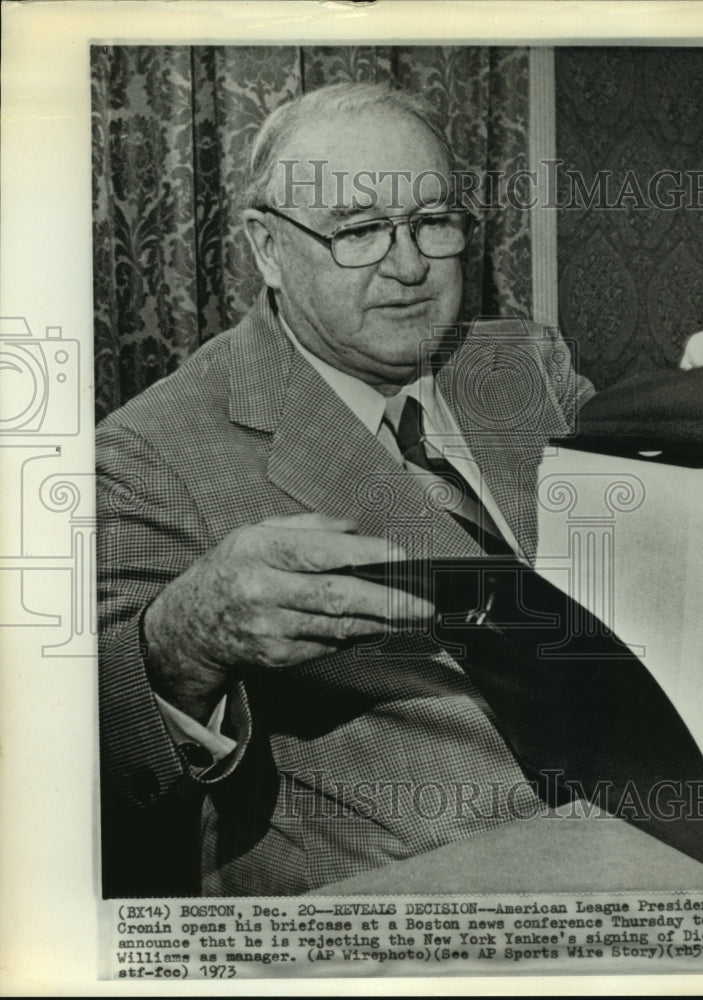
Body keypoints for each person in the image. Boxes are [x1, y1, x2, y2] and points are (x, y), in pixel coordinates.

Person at [97, 82, 596, 897]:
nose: (409, 267)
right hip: (408, 914)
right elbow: (90, 765)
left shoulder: (523, 365)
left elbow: (650, 530)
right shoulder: (151, 449)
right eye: (359, 231)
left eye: (433, 222)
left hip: (654, 835)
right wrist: (181, 644)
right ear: (267, 248)